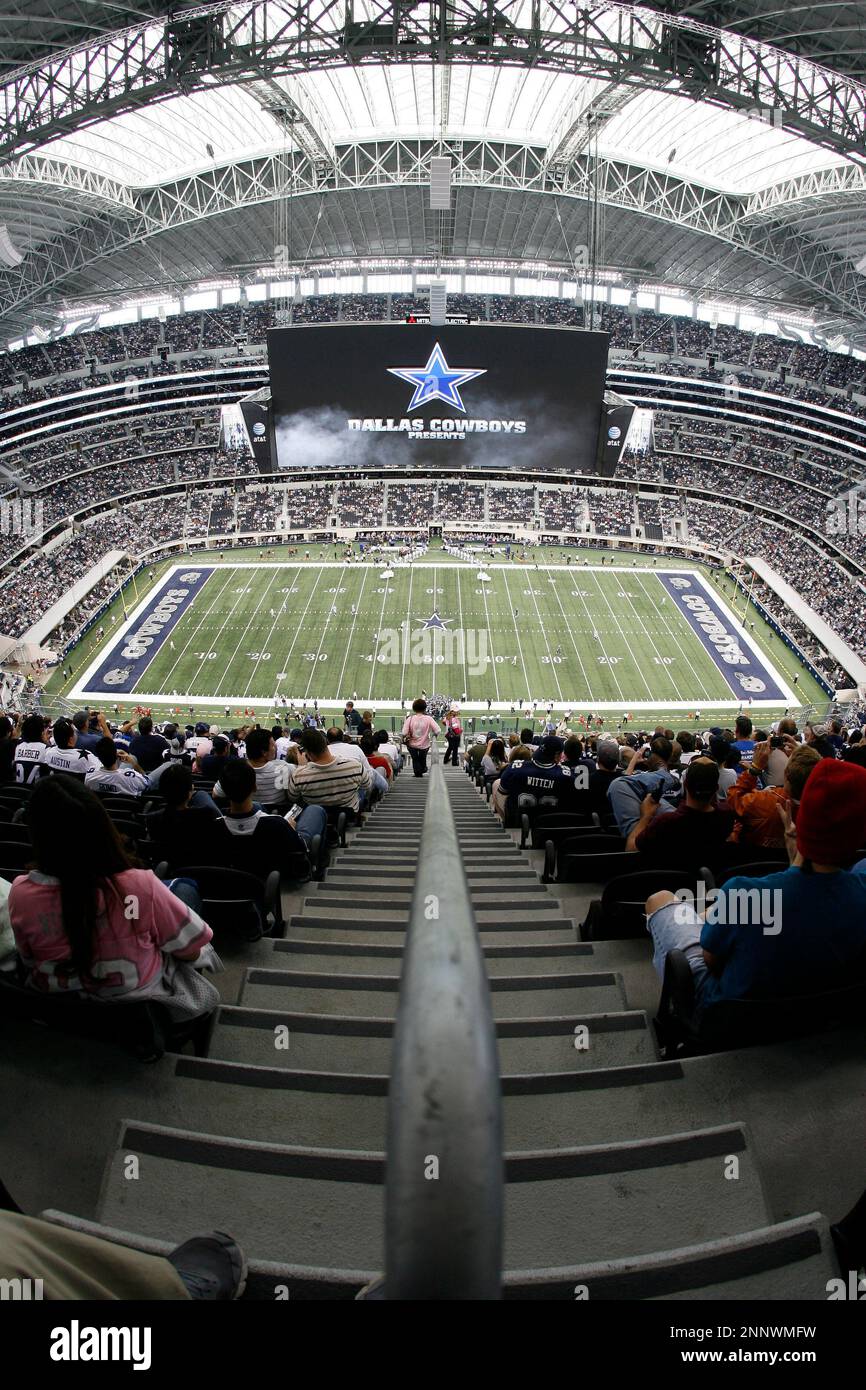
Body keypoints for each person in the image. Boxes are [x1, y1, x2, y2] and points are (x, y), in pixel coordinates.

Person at [644, 759, 866, 1016]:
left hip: (730, 1017)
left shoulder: (744, 894)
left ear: (798, 818)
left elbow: (712, 961)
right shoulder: (859, 887)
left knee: (661, 900)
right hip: (822, 1013)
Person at [8, 778, 221, 1020]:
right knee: (183, 891)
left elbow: (27, 958)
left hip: (59, 1014)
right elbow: (190, 951)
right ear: (101, 826)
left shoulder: (21, 892)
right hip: (138, 1017)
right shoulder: (137, 886)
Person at [218, 758, 325, 864]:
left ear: (224, 790)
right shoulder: (278, 824)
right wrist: (291, 829)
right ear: (255, 787)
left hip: (240, 871)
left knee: (256, 805)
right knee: (315, 809)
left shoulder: (214, 825)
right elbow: (301, 848)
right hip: (275, 872)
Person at [629, 757, 735, 863]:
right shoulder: (727, 815)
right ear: (716, 788)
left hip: (678, 879)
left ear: (685, 785)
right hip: (706, 878)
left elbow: (631, 849)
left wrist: (646, 815)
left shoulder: (665, 822)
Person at [726, 740, 820, 851]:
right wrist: (805, 755)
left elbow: (733, 799)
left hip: (756, 861)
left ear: (786, 777)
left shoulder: (765, 801)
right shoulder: (826, 808)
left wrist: (755, 769)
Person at [286, 728, 374, 814]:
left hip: (316, 819)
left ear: (307, 752)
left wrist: (301, 768)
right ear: (326, 743)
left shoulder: (298, 775)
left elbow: (293, 798)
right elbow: (367, 785)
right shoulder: (355, 766)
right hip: (348, 819)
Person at [85, 737, 149, 797]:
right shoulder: (132, 777)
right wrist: (134, 764)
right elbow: (147, 784)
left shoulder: (90, 776)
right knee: (133, 758)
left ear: (99, 757)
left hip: (103, 807)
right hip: (128, 808)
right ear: (116, 755)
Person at [402, 698, 440, 778]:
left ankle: (418, 773)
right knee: (422, 759)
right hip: (424, 745)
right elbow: (437, 730)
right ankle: (422, 769)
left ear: (414, 708)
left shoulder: (410, 718)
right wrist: (434, 736)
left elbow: (404, 733)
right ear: (425, 708)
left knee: (415, 760)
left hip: (412, 744)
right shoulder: (428, 718)